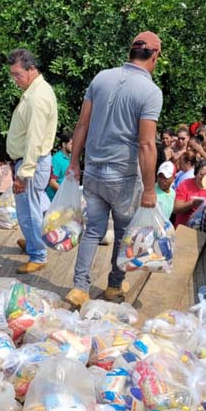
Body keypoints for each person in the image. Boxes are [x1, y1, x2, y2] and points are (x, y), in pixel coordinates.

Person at [63, 32, 161, 306]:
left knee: (93, 231)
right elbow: (146, 144)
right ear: (154, 56)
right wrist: (150, 189)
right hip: (124, 179)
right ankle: (114, 286)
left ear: (130, 52)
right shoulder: (150, 92)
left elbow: (82, 125)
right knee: (122, 234)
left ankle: (79, 289)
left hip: (93, 171)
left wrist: (74, 164)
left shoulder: (101, 78)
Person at [5, 48, 58, 274]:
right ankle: (34, 241)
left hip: (31, 165)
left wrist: (23, 174)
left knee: (29, 211)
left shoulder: (37, 98)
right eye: (13, 75)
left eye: (18, 74)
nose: (14, 80)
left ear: (32, 69)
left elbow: (35, 140)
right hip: (32, 163)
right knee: (30, 207)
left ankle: (38, 255)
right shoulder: (36, 90)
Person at [173, 159, 206, 227]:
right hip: (183, 228)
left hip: (202, 229)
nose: (204, 177)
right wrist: (192, 203)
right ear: (196, 173)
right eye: (201, 174)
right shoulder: (185, 184)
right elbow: (176, 209)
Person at [47, 133, 73, 200]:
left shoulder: (71, 158)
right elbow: (52, 182)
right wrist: (65, 194)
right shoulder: (56, 159)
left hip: (66, 198)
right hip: (55, 200)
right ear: (64, 144)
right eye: (71, 144)